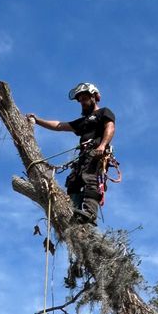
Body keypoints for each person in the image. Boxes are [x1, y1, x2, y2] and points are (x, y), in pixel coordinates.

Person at [28, 83, 116, 226]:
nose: (82, 102)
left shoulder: (103, 112)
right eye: (80, 100)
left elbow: (110, 127)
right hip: (83, 156)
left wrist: (102, 145)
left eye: (85, 98)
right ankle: (73, 212)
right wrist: (38, 120)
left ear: (94, 96)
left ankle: (89, 213)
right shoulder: (83, 122)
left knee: (90, 178)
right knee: (74, 181)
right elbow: (59, 126)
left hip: (96, 153)